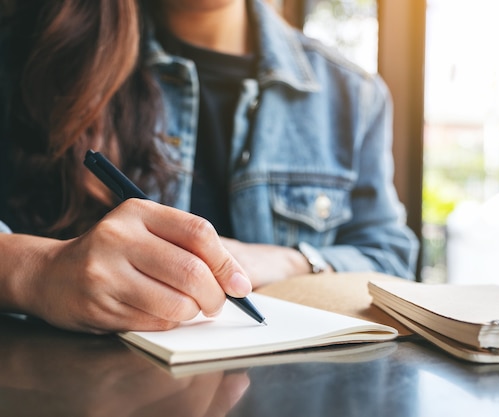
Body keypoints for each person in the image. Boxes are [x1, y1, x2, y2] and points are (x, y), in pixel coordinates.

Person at [0, 0, 418, 333]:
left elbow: (392, 261)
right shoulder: (30, 60)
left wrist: (295, 261)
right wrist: (38, 272)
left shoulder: (352, 96)